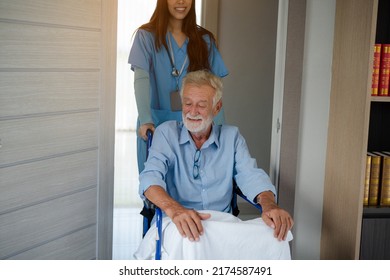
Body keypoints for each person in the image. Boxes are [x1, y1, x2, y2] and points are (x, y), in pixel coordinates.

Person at [135, 70, 294, 260]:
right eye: (188, 104)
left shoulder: (232, 137)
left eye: (201, 105)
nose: (192, 112)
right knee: (189, 239)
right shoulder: (166, 134)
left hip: (222, 225)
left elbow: (250, 175)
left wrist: (269, 204)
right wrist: (175, 209)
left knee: (276, 235)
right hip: (177, 220)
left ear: (217, 108)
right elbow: (150, 177)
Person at [128, 0, 229, 172]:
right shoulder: (146, 36)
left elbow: (214, 90)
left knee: (193, 188)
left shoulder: (205, 40)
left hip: (196, 128)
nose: (181, 1)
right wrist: (146, 120)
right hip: (155, 126)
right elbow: (141, 79)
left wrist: (221, 132)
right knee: (155, 187)